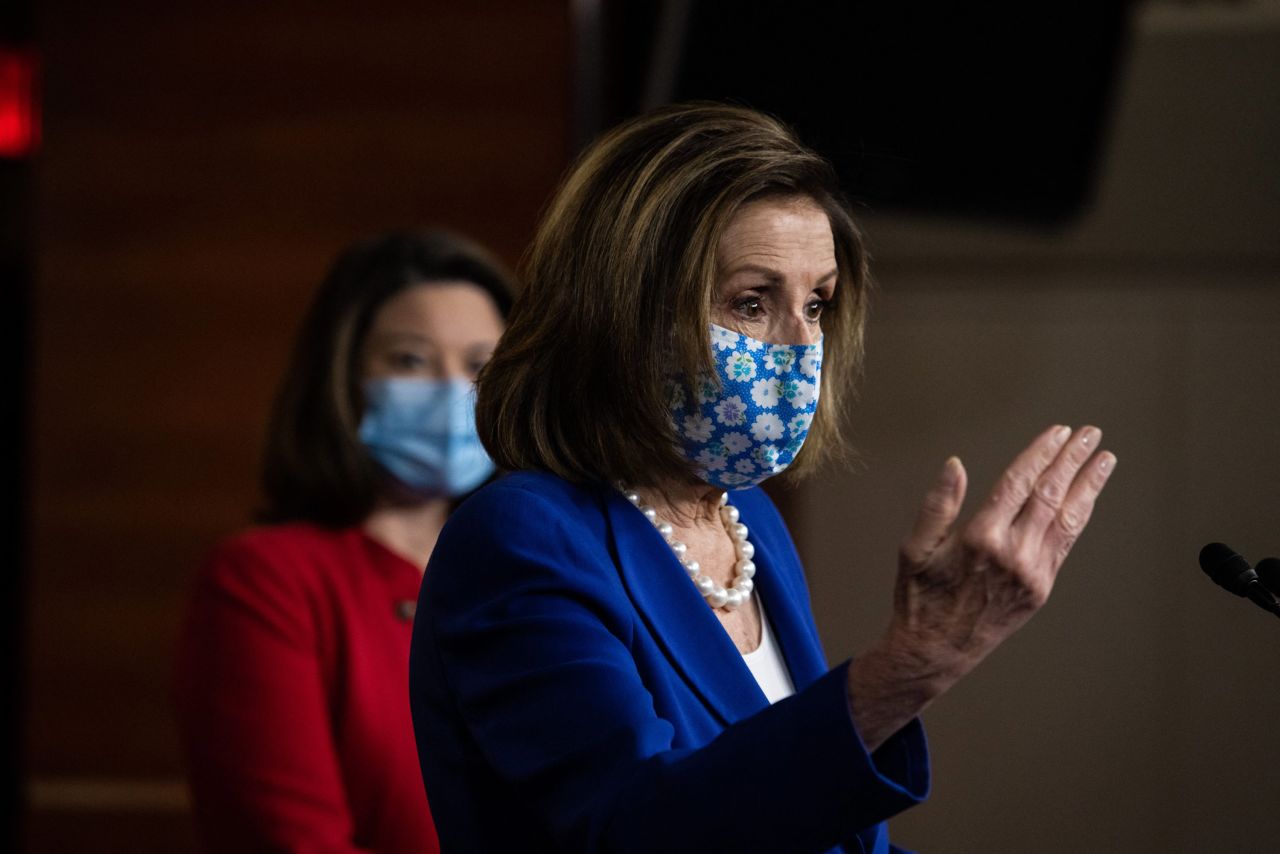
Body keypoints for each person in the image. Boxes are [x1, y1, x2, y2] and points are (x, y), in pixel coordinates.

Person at [407, 104, 1117, 854]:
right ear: (625, 314)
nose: (804, 343)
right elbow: (642, 833)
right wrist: (908, 668)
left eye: (817, 302)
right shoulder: (522, 538)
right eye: (751, 302)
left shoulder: (750, 525)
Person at [175, 229, 513, 852]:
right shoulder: (265, 580)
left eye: (478, 366)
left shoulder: (524, 573)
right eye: (411, 360)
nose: (449, 391)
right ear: (344, 375)